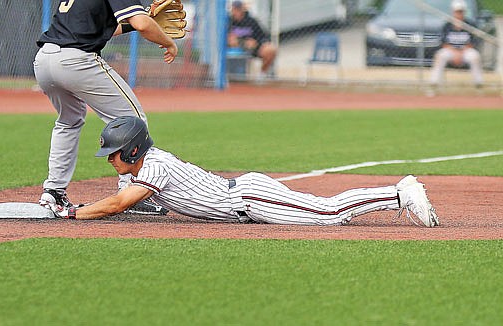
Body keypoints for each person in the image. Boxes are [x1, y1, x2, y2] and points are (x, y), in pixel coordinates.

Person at [45, 116, 440, 228]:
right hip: (243, 198)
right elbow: (122, 200)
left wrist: (75, 212)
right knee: (325, 212)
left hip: (246, 198)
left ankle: (399, 192)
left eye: (115, 153)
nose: (112, 160)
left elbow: (117, 205)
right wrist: (80, 206)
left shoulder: (156, 164)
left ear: (133, 149)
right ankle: (397, 192)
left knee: (328, 214)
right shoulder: (140, 169)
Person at [34, 0, 179, 215]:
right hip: (76, 60)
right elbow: (142, 25)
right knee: (134, 121)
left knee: (69, 121)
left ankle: (53, 191)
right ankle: (131, 193)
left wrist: (145, 18)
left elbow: (103, 30)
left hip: (44, 60)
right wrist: (169, 43)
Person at [429, 0, 483, 89]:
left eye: (461, 11)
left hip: (465, 51)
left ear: (464, 12)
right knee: (440, 55)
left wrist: (461, 52)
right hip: (450, 51)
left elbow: (473, 42)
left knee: (474, 56)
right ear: (453, 12)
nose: (459, 14)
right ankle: (434, 82)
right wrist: (455, 52)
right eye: (457, 12)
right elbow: (443, 43)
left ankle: (478, 83)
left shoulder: (469, 25)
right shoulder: (447, 25)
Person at [228, 1, 277, 76]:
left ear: (242, 9)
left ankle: (262, 75)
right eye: (234, 9)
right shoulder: (228, 21)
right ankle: (231, 76)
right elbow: (229, 39)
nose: (236, 12)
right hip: (235, 49)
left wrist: (258, 42)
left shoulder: (251, 21)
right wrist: (243, 42)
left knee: (271, 50)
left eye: (238, 9)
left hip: (252, 49)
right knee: (232, 41)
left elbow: (264, 36)